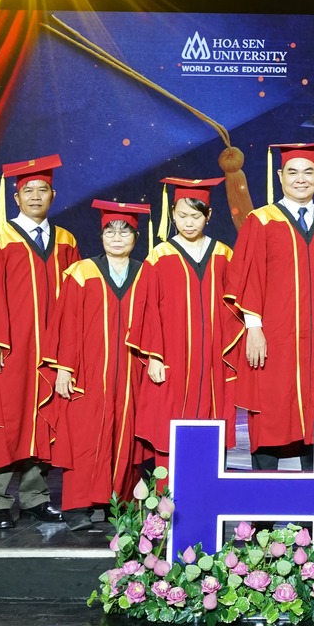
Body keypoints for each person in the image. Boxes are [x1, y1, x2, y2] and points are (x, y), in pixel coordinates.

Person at [0, 155, 82, 529]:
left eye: (42, 189)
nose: (35, 196)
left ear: (53, 194)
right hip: (10, 347)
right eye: (27, 190)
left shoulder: (65, 240)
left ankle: (35, 498)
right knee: (5, 420)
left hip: (50, 349)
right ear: (16, 198)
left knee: (45, 418)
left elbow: (75, 297)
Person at [228, 142, 314, 472]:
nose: (301, 179)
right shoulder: (261, 221)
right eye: (293, 172)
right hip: (275, 338)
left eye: (308, 172)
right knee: (271, 412)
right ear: (280, 176)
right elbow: (249, 276)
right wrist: (254, 328)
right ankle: (263, 504)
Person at [44, 200, 151, 530]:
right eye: (110, 231)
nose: (117, 238)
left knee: (126, 434)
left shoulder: (147, 273)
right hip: (88, 372)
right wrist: (64, 368)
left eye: (125, 232)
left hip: (132, 373)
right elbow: (66, 325)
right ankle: (77, 507)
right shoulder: (81, 272)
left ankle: (118, 503)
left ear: (136, 237)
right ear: (101, 235)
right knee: (84, 435)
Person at [129, 177, 237, 489]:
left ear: (208, 216)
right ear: (172, 215)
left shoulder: (223, 254)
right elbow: (147, 310)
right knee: (169, 423)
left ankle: (209, 495)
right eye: (182, 215)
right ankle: (166, 502)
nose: (189, 222)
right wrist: (154, 356)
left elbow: (234, 309)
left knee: (213, 423)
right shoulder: (159, 256)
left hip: (212, 361)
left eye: (196, 215)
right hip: (172, 359)